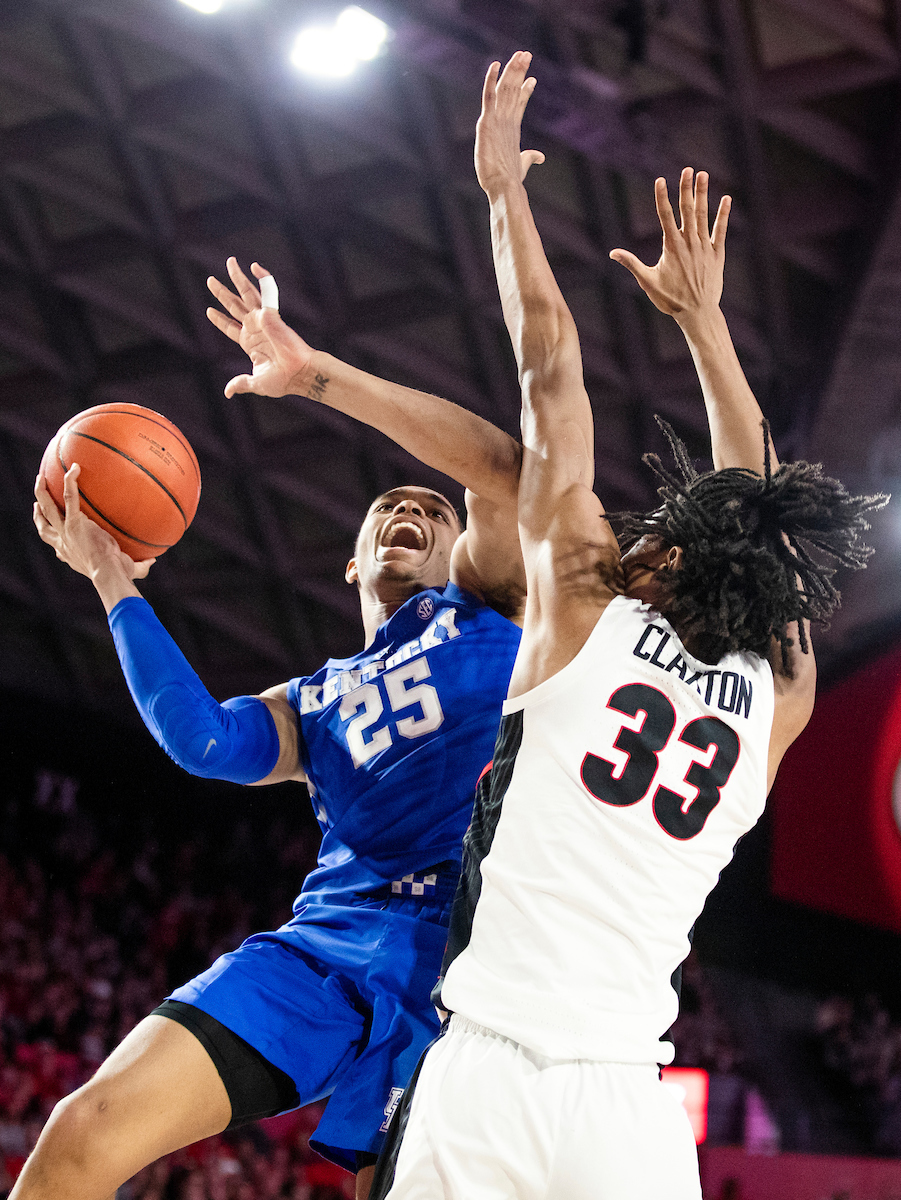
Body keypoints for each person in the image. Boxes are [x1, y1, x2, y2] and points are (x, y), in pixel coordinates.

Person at [372, 52, 887, 1200]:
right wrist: (708, 329)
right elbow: (760, 518)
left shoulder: (588, 614)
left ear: (659, 556)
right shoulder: (775, 700)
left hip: (490, 1073)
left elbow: (550, 379)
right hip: (626, 1103)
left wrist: (506, 197)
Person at [25, 276, 528, 1199]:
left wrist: (318, 377)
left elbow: (500, 466)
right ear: (352, 560)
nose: (410, 510)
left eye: (433, 509)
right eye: (388, 508)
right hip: (324, 948)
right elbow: (204, 743)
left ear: (462, 549)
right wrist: (111, 579)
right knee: (82, 1131)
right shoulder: (313, 698)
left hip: (467, 971)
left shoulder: (493, 610)